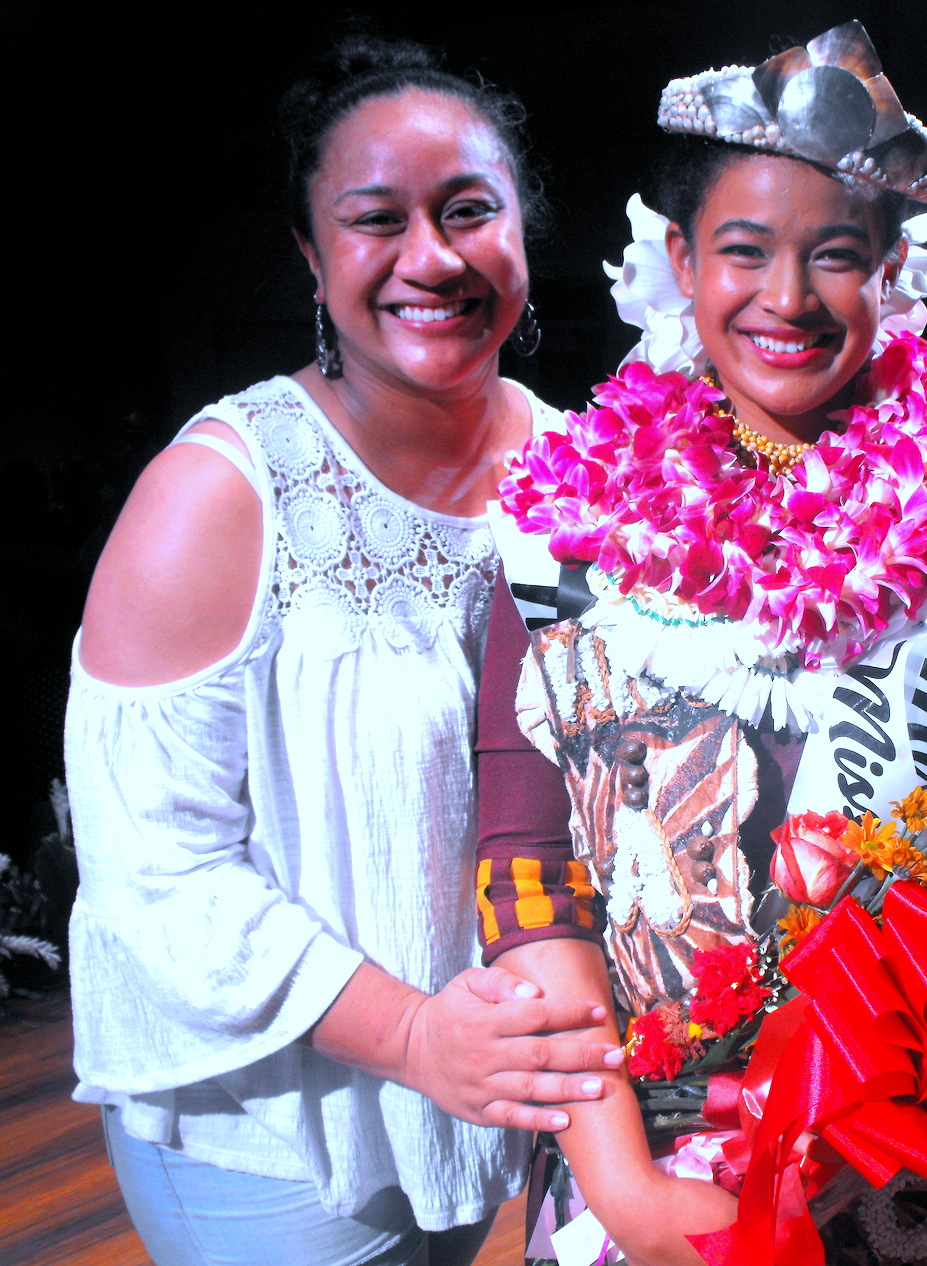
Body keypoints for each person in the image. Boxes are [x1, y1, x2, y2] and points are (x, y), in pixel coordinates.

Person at [472, 22, 927, 1266]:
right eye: (743, 251)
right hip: (648, 1158)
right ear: (677, 258)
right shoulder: (560, 543)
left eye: (834, 257)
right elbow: (527, 876)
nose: (785, 298)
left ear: (892, 273)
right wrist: (626, 1192)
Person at [65, 35, 621, 1266]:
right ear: (315, 260)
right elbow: (154, 874)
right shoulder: (220, 493)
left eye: (470, 210)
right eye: (379, 220)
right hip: (270, 1124)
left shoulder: (583, 472)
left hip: (488, 1100)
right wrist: (417, 1035)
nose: (433, 257)